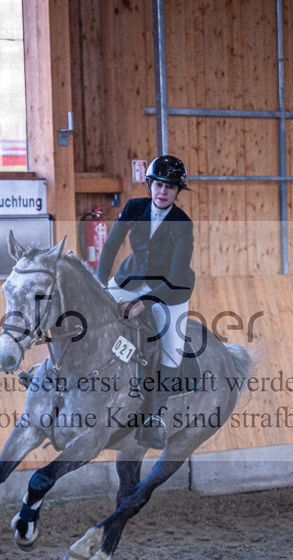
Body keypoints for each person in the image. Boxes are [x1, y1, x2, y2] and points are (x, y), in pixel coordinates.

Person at [96, 155, 195, 449]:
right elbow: (110, 247)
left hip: (169, 290)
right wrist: (99, 285)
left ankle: (154, 418)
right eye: (158, 184)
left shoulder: (183, 224)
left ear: (177, 191)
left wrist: (145, 302)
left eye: (170, 186)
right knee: (88, 315)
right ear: (149, 184)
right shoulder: (134, 208)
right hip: (130, 280)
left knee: (172, 350)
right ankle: (53, 374)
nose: (163, 191)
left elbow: (176, 275)